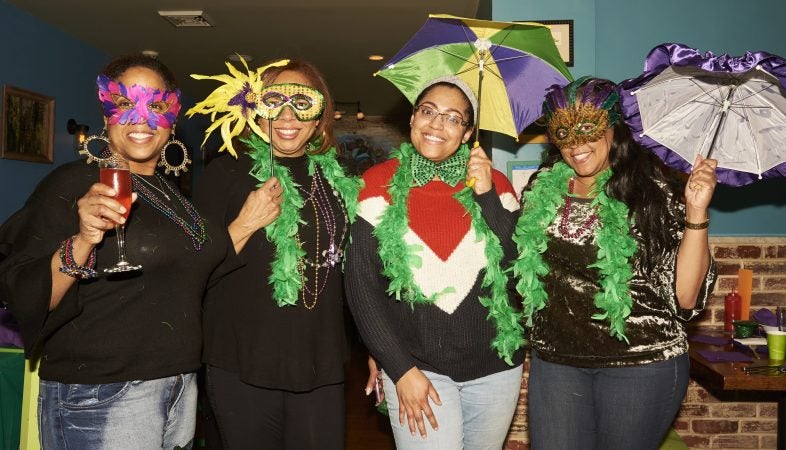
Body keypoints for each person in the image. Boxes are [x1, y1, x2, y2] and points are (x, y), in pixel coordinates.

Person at [0, 53, 233, 449]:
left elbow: (198, 266)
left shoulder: (171, 192)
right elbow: (25, 294)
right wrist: (84, 239)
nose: (140, 118)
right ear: (106, 112)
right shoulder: (73, 182)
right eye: (125, 104)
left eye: (156, 106)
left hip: (179, 386)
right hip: (102, 395)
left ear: (172, 118)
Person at [512, 76, 718, 450]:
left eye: (588, 130)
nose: (576, 146)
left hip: (640, 362)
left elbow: (686, 298)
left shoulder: (651, 190)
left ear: (613, 128)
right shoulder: (543, 186)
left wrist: (696, 211)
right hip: (558, 362)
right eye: (563, 133)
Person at [189, 58, 362, 450]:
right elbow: (193, 268)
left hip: (320, 360)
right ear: (254, 110)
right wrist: (246, 223)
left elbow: (357, 270)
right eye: (275, 101)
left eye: (303, 104)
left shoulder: (339, 180)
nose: (288, 116)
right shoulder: (225, 174)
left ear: (319, 118)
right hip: (243, 361)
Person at [345, 77, 525, 449]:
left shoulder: (498, 185)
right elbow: (362, 290)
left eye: (453, 117)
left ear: (467, 132)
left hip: (496, 372)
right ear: (412, 118)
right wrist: (399, 368)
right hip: (416, 369)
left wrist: (488, 196)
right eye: (428, 111)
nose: (437, 124)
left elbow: (520, 272)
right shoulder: (376, 185)